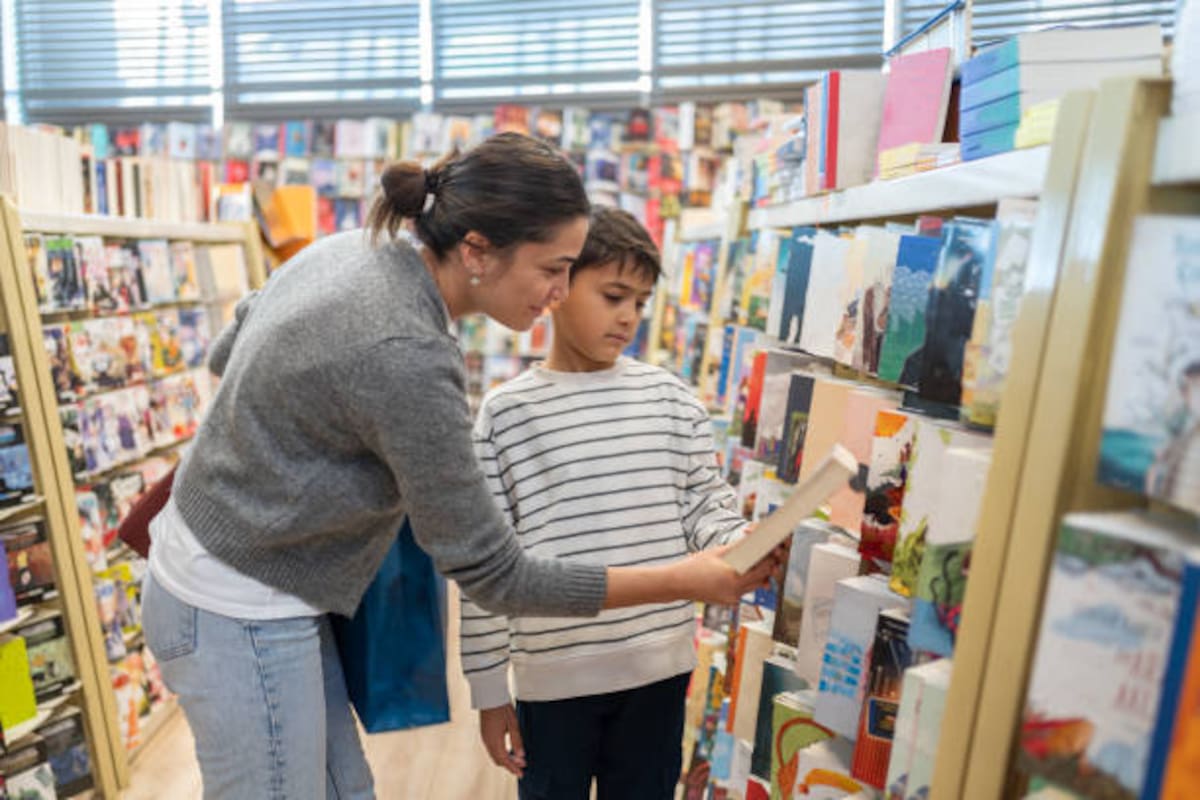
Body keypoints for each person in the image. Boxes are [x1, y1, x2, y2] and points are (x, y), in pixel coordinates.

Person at [141, 133, 777, 800]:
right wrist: (683, 580)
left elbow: (229, 345)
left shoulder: (357, 250)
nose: (559, 292)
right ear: (477, 250)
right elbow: (494, 573)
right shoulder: (408, 350)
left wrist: (302, 447)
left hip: (240, 570)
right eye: (551, 268)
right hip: (235, 601)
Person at [461, 206, 751, 800]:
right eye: (614, 295)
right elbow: (485, 569)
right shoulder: (507, 415)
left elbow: (704, 503)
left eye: (641, 303)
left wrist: (742, 541)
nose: (629, 317)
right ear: (560, 286)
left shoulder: (671, 399)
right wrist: (490, 692)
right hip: (553, 681)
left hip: (660, 671)